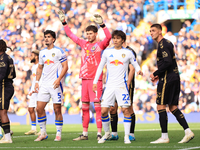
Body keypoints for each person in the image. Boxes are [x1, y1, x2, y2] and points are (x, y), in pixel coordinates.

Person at [57, 10, 112, 141]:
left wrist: (103, 25)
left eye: (90, 33)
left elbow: (109, 37)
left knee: (98, 108)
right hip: (84, 79)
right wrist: (64, 22)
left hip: (96, 80)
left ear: (95, 34)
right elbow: (70, 35)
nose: (88, 36)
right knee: (85, 107)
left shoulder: (100, 45)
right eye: (87, 34)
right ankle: (85, 134)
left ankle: (100, 134)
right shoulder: (84, 44)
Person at [93, 30, 143, 144]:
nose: (115, 40)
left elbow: (134, 63)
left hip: (122, 86)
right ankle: (107, 133)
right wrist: (95, 82)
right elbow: (100, 67)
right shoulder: (106, 52)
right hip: (109, 86)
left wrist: (139, 70)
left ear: (123, 40)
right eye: (114, 38)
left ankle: (126, 136)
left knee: (126, 110)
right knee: (104, 111)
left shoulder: (128, 53)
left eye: (118, 38)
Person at [149, 24, 194, 144]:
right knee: (173, 107)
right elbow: (169, 62)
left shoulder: (163, 44)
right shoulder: (167, 43)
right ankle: (188, 131)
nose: (151, 33)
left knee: (160, 106)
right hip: (174, 77)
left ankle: (164, 137)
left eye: (153, 30)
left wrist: (156, 72)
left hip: (167, 79)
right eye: (150, 31)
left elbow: (168, 62)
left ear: (160, 32)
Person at [34, 30, 68, 142]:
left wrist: (59, 79)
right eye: (45, 37)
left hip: (55, 84)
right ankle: (43, 132)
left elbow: (65, 67)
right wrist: (36, 82)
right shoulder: (42, 53)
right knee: (39, 108)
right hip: (44, 85)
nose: (46, 39)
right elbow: (39, 67)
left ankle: (58, 133)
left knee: (57, 109)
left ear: (53, 39)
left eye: (48, 37)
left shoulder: (59, 51)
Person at [109, 45, 137, 141]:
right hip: (115, 84)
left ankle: (131, 134)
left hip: (126, 84)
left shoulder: (129, 51)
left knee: (128, 108)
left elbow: (132, 69)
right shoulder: (113, 51)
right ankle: (114, 134)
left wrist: (128, 83)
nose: (114, 41)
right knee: (112, 108)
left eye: (117, 38)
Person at [0, 39, 16, 143]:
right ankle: (7, 131)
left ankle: (8, 138)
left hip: (3, 86)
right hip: (7, 85)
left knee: (2, 111)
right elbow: (14, 74)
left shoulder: (2, 59)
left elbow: (1, 75)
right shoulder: (8, 57)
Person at [24, 50, 40, 135]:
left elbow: (41, 79)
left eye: (32, 55)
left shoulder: (40, 66)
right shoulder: (34, 66)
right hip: (34, 91)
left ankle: (42, 129)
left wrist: (37, 88)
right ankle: (33, 129)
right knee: (30, 109)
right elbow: (34, 80)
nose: (30, 57)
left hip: (39, 90)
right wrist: (31, 89)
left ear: (36, 56)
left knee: (39, 109)